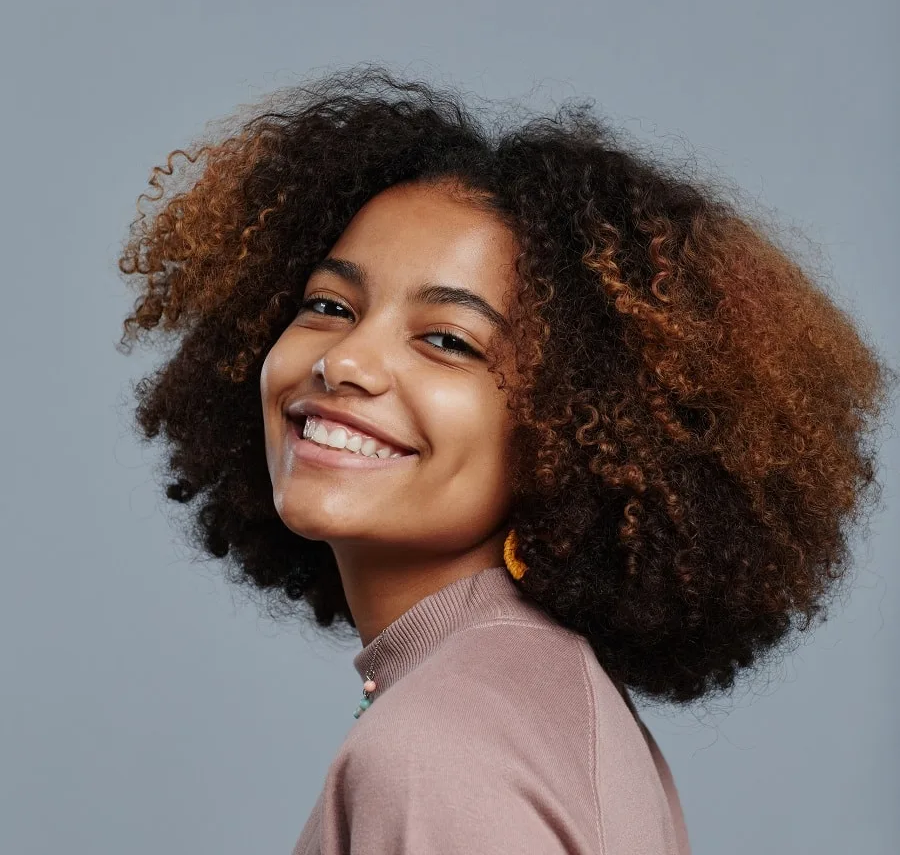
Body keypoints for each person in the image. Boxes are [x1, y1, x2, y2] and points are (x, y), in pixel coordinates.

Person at [115, 65, 895, 854]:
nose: (347, 361)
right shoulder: (537, 696)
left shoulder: (437, 751)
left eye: (448, 340)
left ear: (574, 426)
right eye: (329, 306)